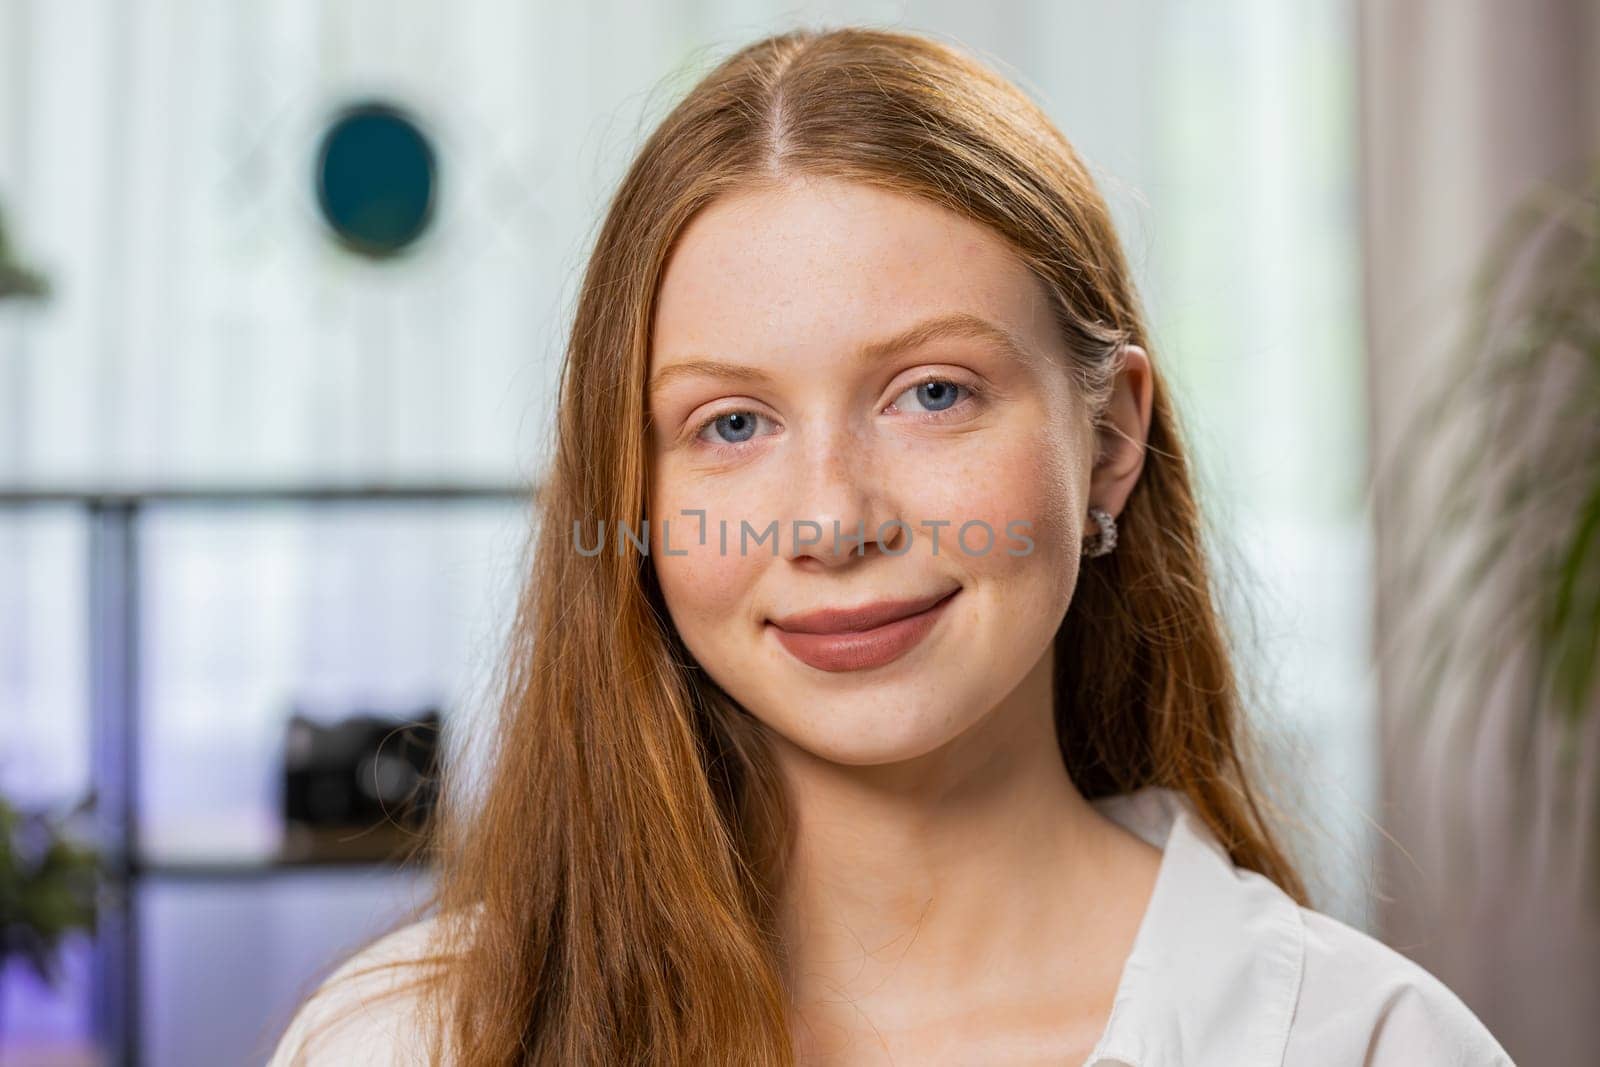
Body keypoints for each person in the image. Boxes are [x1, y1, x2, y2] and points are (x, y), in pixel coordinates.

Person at [266, 24, 1516, 1066]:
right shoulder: (400, 1039)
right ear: (631, 497)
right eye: (732, 421)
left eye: (932, 393)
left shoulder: (1368, 1043)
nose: (830, 520)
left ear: (1111, 438)